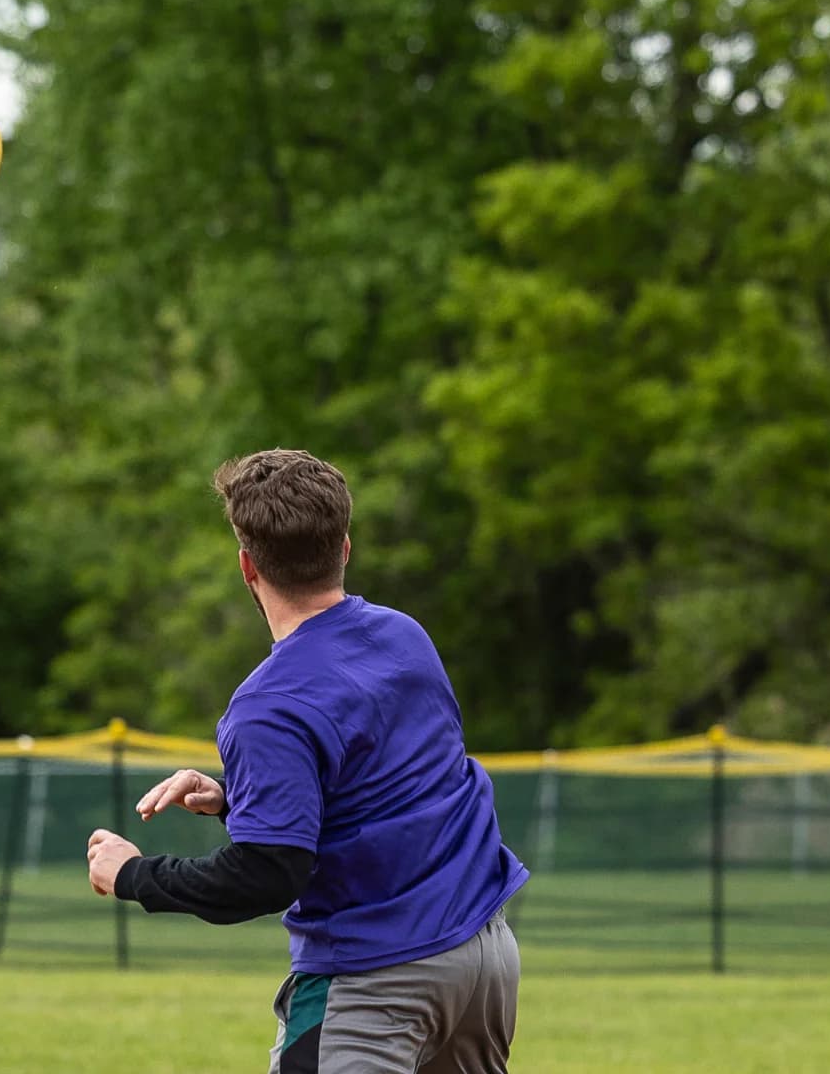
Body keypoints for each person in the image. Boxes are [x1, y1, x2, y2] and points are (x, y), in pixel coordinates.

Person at [85, 450, 528, 1074]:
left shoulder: (266, 705)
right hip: (484, 959)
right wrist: (236, 797)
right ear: (344, 547)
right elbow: (388, 791)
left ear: (247, 566)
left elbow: (267, 874)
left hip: (377, 975)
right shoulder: (403, 636)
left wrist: (133, 874)